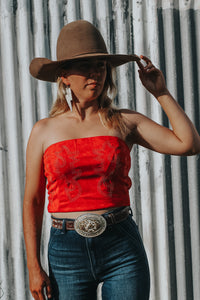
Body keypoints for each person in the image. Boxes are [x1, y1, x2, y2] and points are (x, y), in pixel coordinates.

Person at [23, 20, 200, 300]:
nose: (95, 73)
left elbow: (188, 144)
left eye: (101, 65)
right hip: (66, 251)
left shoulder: (124, 121)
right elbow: (32, 200)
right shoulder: (44, 130)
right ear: (64, 75)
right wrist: (33, 265)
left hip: (121, 247)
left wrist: (161, 92)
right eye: (85, 67)